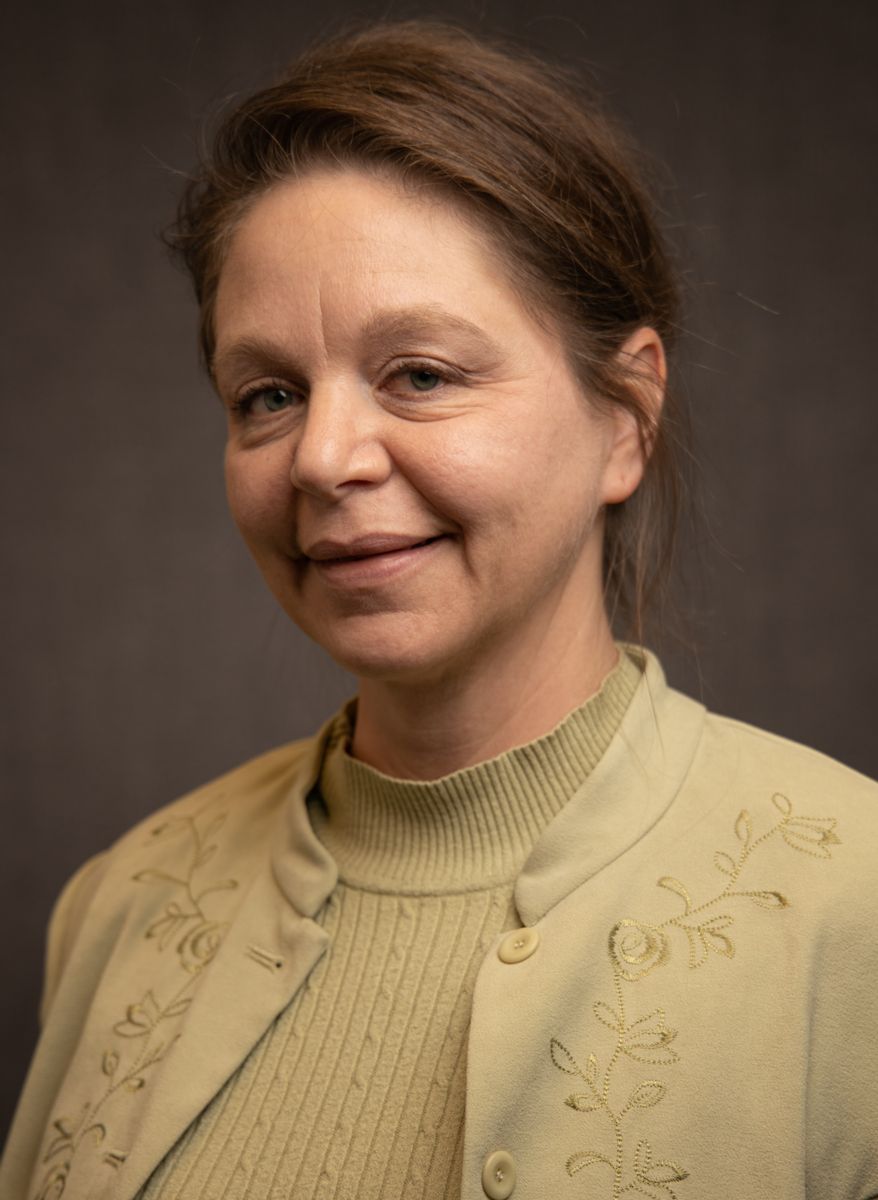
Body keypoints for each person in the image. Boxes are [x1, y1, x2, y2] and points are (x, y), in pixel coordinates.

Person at [2, 19, 876, 1200]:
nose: (320, 457)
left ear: (622, 415)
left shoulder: (852, 910)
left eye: (419, 373)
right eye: (266, 394)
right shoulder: (122, 904)